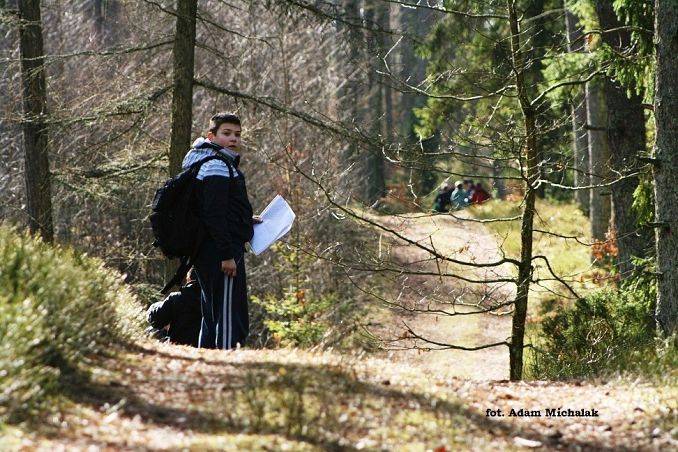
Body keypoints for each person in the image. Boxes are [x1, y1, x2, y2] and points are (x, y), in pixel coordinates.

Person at [181, 112, 262, 349]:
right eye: (226, 134)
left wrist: (245, 219)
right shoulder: (216, 165)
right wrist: (227, 254)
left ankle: (206, 361)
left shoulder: (202, 160)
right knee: (228, 314)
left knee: (212, 313)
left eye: (237, 134)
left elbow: (217, 208)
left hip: (206, 249)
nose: (233, 139)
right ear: (211, 136)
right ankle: (227, 364)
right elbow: (213, 214)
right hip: (220, 251)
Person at [147, 269, 202, 346]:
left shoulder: (176, 298)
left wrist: (154, 306)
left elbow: (156, 319)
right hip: (208, 345)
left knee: (150, 331)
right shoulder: (214, 300)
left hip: (178, 343)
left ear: (188, 279)